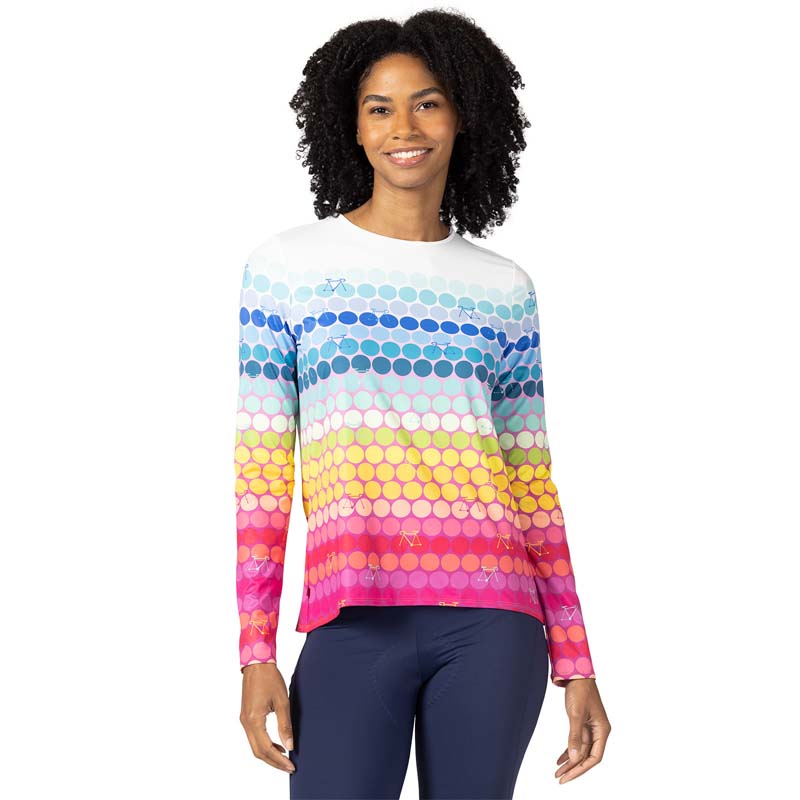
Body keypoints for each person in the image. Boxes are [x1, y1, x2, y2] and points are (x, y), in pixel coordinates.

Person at [235, 9, 611, 798]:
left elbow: (531, 480)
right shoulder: (287, 268)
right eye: (380, 107)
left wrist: (576, 660)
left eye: (427, 103)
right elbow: (261, 474)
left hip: (495, 621)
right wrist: (256, 650)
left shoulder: (504, 288)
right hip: (351, 616)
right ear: (352, 127)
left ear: (463, 115)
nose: (404, 127)